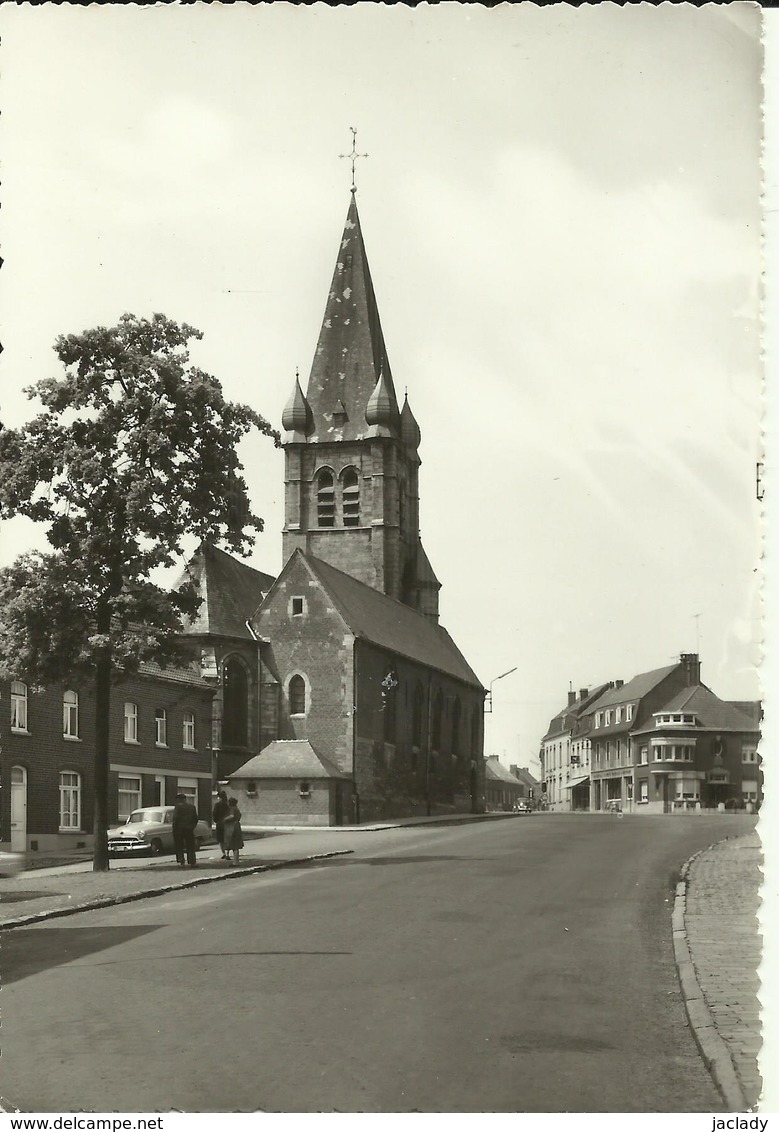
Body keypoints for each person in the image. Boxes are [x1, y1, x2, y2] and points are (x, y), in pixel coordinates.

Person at [171, 792, 199, 867]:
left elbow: (175, 819)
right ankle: (192, 861)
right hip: (189, 829)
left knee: (179, 846)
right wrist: (192, 826)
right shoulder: (192, 807)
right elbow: (195, 819)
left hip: (179, 829)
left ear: (179, 799)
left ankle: (181, 861)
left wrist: (174, 828)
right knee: (190, 846)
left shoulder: (177, 807)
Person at [222, 797, 244, 867]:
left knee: (234, 845)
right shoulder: (237, 809)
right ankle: (236, 861)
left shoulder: (232, 809)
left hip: (233, 827)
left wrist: (224, 819)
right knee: (236, 845)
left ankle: (236, 862)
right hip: (237, 826)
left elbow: (232, 816)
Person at [212, 790, 230, 859]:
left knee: (221, 839)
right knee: (227, 839)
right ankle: (228, 853)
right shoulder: (228, 804)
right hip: (227, 823)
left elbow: (214, 814)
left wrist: (216, 821)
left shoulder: (217, 805)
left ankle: (224, 853)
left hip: (220, 823)